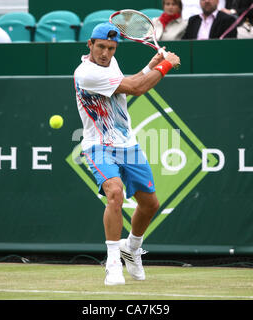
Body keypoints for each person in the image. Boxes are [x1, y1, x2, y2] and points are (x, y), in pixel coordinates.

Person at [73, 22, 180, 286]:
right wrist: (164, 66)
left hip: (127, 144)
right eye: (100, 47)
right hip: (97, 145)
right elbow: (135, 88)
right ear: (90, 44)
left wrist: (150, 65)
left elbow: (126, 84)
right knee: (115, 192)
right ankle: (112, 263)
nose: (105, 53)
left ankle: (131, 247)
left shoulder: (112, 63)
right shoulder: (85, 72)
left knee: (150, 205)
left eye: (111, 48)